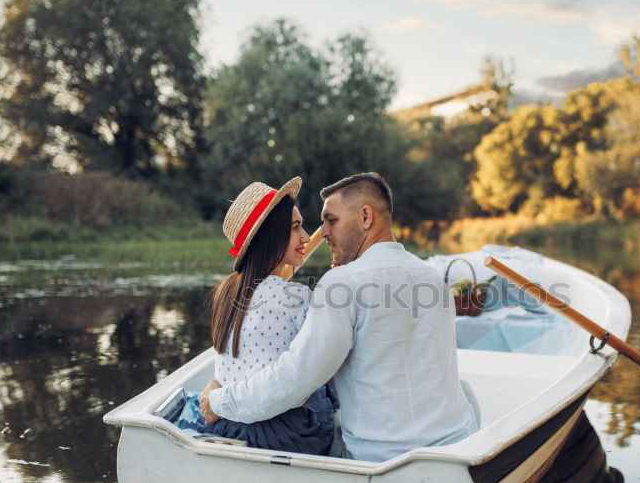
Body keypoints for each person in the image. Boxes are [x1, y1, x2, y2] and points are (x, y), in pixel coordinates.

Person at [200, 172, 479, 462]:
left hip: (378, 457)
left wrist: (218, 401)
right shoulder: (432, 278)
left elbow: (293, 381)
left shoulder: (341, 284)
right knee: (465, 391)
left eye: (331, 220)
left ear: (366, 218)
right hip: (456, 444)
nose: (322, 234)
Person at [173, 177, 338, 456]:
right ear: (270, 236)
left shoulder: (225, 290)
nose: (305, 237)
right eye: (296, 227)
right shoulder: (297, 297)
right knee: (324, 382)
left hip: (228, 426)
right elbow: (321, 366)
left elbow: (268, 288)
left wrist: (284, 262)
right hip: (286, 435)